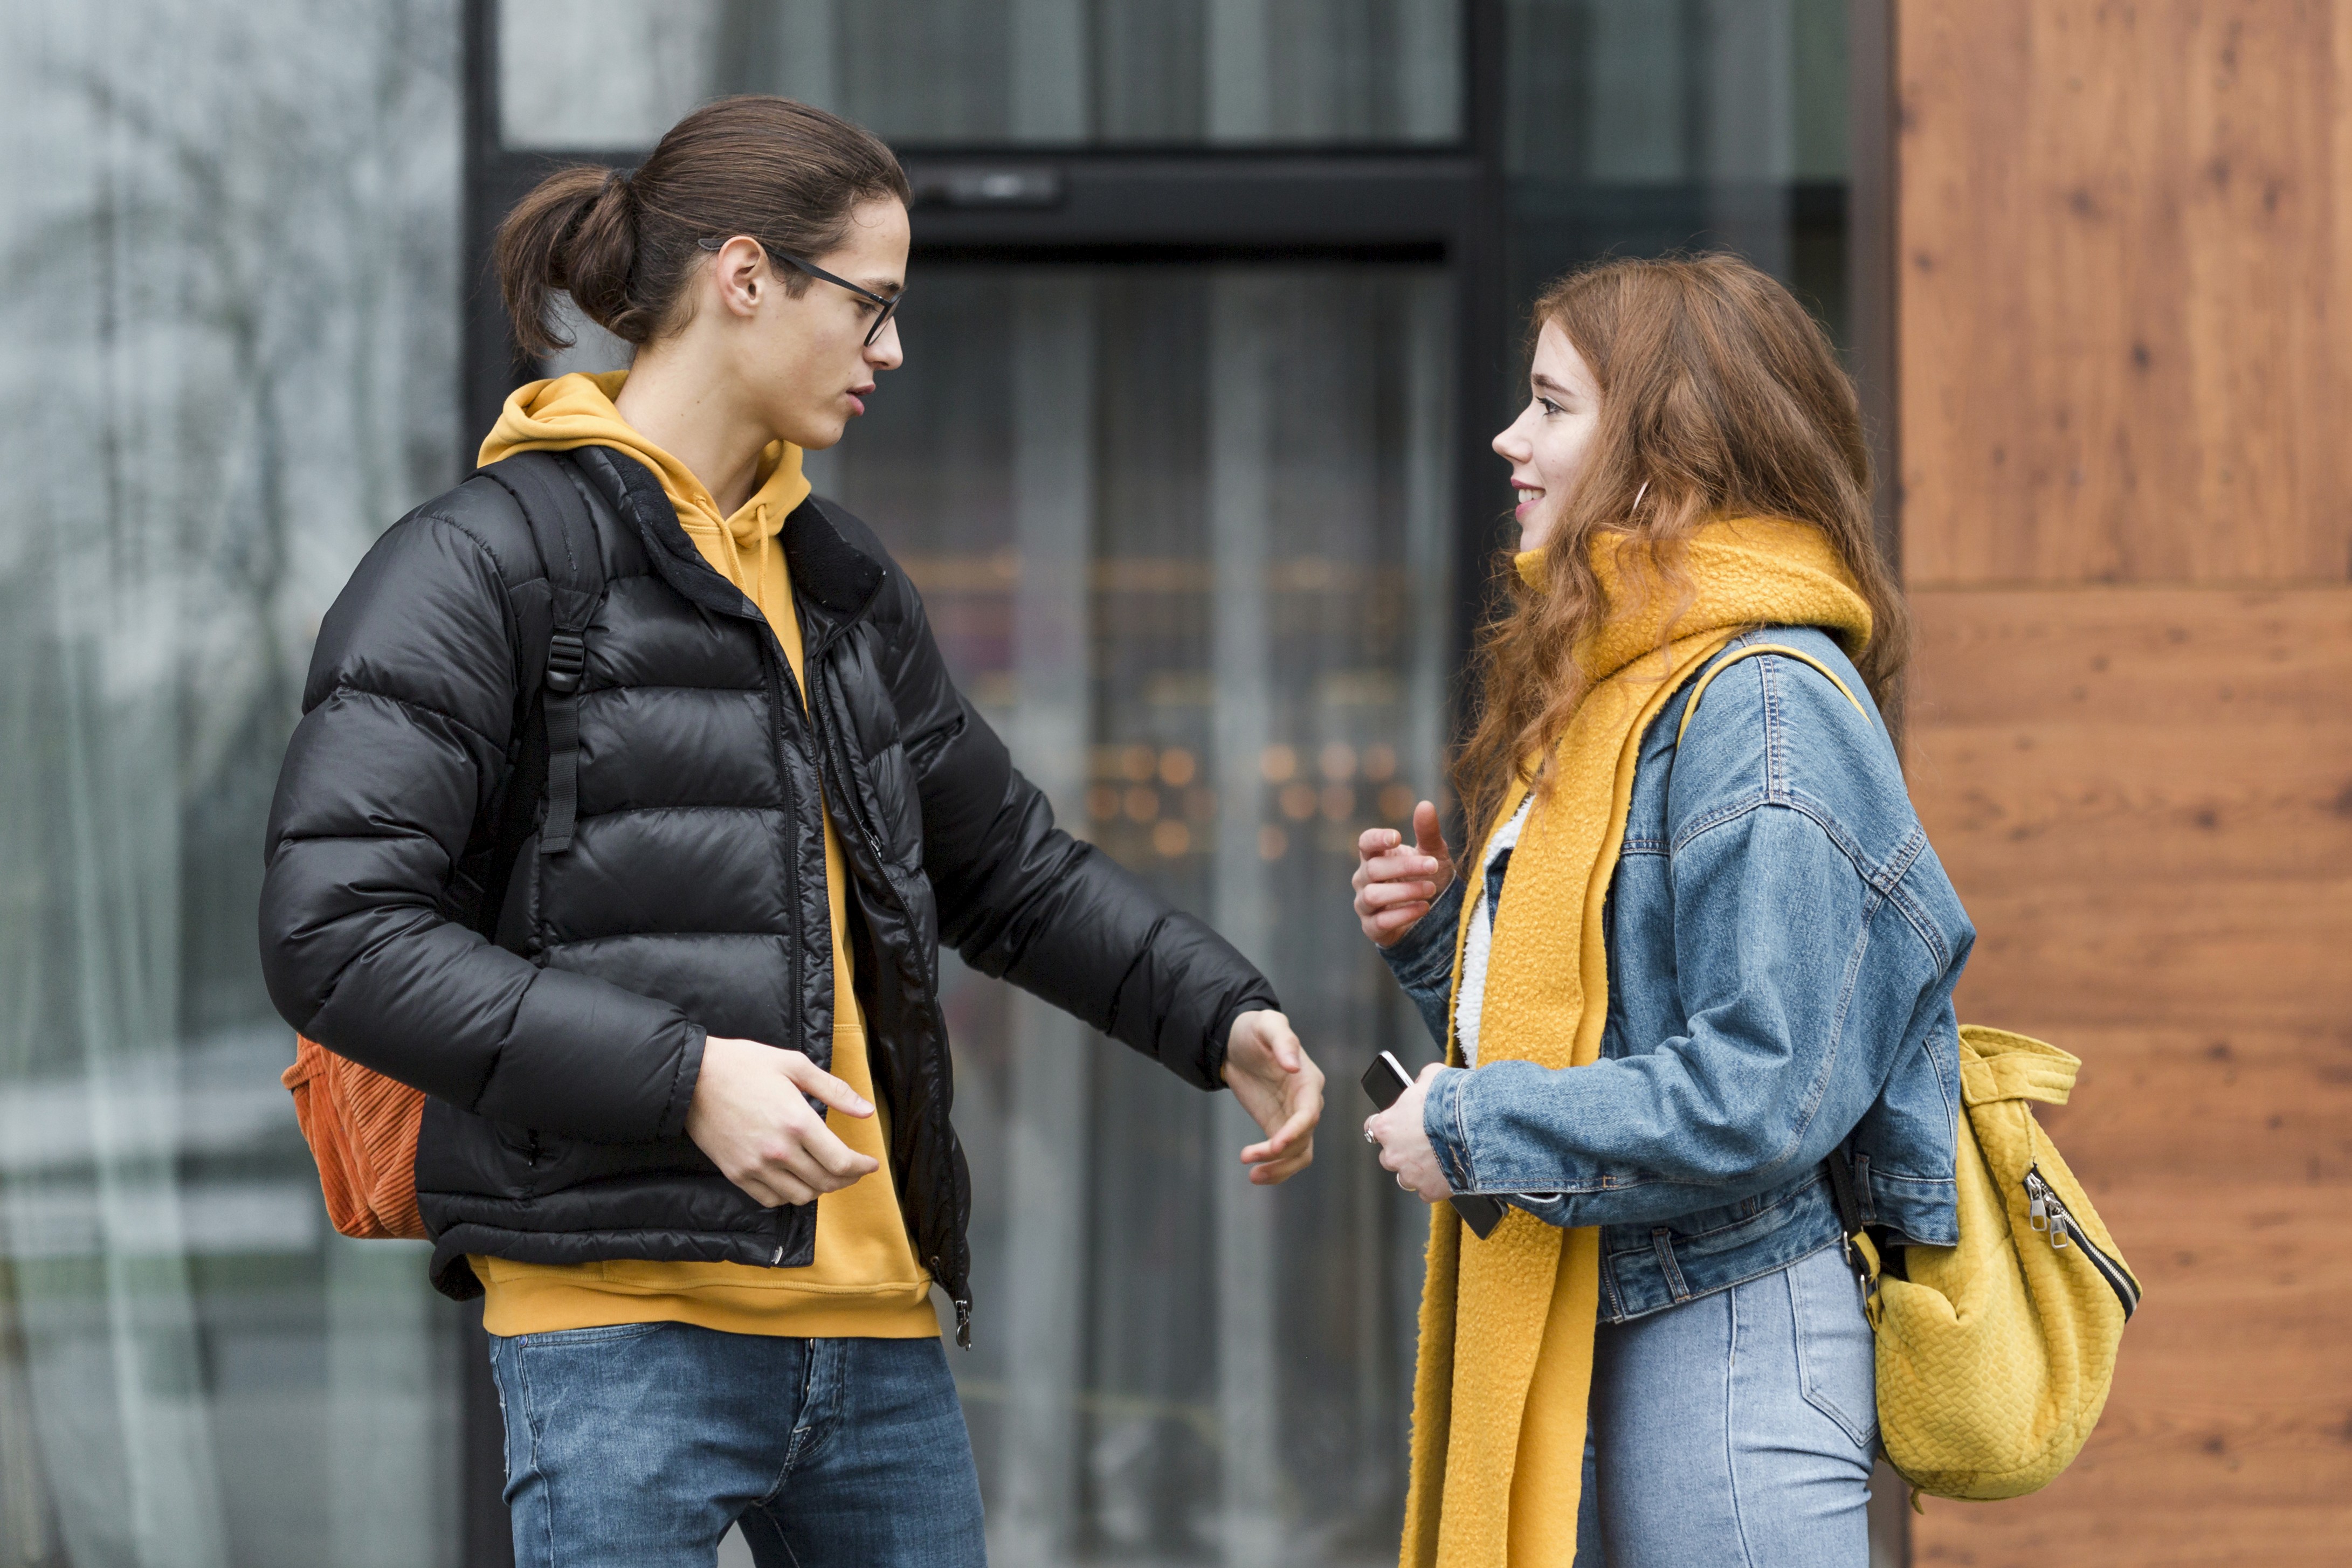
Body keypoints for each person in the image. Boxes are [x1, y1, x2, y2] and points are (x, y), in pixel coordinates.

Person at [258, 95, 1323, 1568]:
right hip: (621, 1330)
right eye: (870, 305)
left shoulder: (833, 576)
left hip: (874, 1329)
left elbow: (1001, 867)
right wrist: (684, 1076)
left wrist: (1220, 1009)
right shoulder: (478, 562)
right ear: (743, 277)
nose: (890, 349)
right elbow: (338, 934)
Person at [1354, 253, 1969, 1568]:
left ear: (1667, 460)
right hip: (1648, 1314)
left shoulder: (1758, 699)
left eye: (1551, 405)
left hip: (1729, 1341)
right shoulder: (1630, 679)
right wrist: (1444, 939)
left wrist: (1472, 1125)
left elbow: (1761, 1090)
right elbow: (1636, 1017)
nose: (1509, 439)